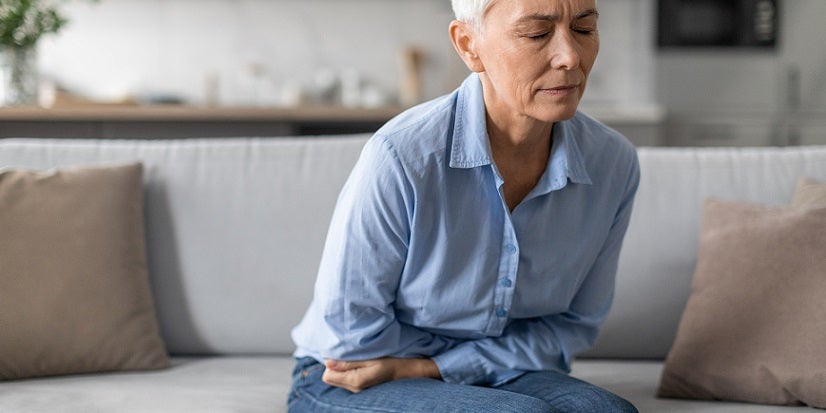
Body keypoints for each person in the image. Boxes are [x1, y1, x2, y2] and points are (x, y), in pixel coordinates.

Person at [288, 0, 640, 411]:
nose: (570, 56)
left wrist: (435, 368)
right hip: (352, 375)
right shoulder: (402, 155)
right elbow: (349, 333)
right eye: (537, 34)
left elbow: (572, 327)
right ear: (469, 45)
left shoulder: (612, 163)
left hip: (491, 367)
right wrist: (431, 369)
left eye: (584, 28)